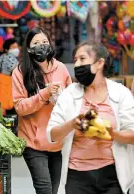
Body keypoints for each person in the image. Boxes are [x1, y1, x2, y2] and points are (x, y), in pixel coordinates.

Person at [46, 41, 134, 194]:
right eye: (75, 61)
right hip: (76, 176)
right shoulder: (69, 94)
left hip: (112, 176)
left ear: (99, 63)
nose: (77, 65)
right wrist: (72, 124)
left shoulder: (121, 93)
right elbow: (51, 135)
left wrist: (111, 133)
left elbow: (132, 134)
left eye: (82, 59)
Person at [11, 27, 72, 194]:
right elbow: (20, 107)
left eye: (45, 42)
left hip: (56, 140)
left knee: (53, 189)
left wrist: (62, 99)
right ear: (29, 48)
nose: (41, 46)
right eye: (36, 43)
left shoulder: (61, 68)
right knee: (44, 189)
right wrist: (44, 94)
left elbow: (72, 100)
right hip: (32, 141)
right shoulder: (20, 72)